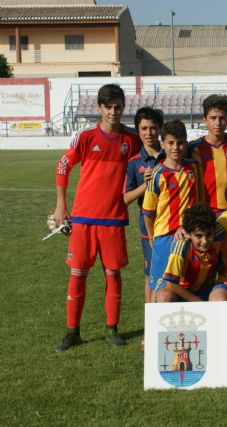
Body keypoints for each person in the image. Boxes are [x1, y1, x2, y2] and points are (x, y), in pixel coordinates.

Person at [53, 84, 141, 350]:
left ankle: (112, 329)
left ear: (123, 109)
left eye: (118, 107)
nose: (114, 112)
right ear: (100, 108)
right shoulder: (86, 136)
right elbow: (63, 165)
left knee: (113, 275)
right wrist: (60, 206)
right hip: (83, 219)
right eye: (109, 107)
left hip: (114, 220)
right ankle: (72, 332)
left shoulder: (132, 139)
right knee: (78, 275)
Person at [142, 119, 203, 297]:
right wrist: (153, 238)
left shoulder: (193, 168)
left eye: (180, 142)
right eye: (170, 143)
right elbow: (148, 212)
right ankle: (154, 324)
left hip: (189, 236)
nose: (175, 147)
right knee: (159, 286)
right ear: (162, 144)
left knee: (185, 284)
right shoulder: (157, 175)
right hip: (165, 238)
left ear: (186, 142)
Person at [124, 107, 164, 303]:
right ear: (138, 130)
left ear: (160, 129)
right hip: (148, 223)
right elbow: (125, 198)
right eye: (144, 128)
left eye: (153, 128)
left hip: (173, 222)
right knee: (151, 273)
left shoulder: (171, 153)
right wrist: (144, 186)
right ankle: (151, 325)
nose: (149, 133)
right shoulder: (133, 162)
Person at [155, 203, 221, 302]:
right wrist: (197, 302)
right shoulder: (181, 246)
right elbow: (170, 283)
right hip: (181, 292)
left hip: (203, 291)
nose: (205, 241)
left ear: (214, 231)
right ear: (187, 234)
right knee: (164, 296)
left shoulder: (219, 233)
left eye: (208, 234)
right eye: (199, 236)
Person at [187, 94, 227, 215]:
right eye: (213, 118)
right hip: (204, 211)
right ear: (205, 119)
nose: (218, 123)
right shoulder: (193, 148)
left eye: (222, 118)